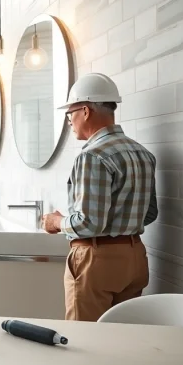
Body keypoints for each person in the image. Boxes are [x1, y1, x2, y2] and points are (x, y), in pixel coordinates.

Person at [41, 73, 157, 322]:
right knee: (121, 339)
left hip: (96, 261)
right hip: (135, 258)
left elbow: (88, 223)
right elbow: (149, 213)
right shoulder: (143, 153)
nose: (69, 121)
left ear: (85, 111)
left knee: (84, 342)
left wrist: (56, 221)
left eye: (69, 113)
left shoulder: (92, 156)